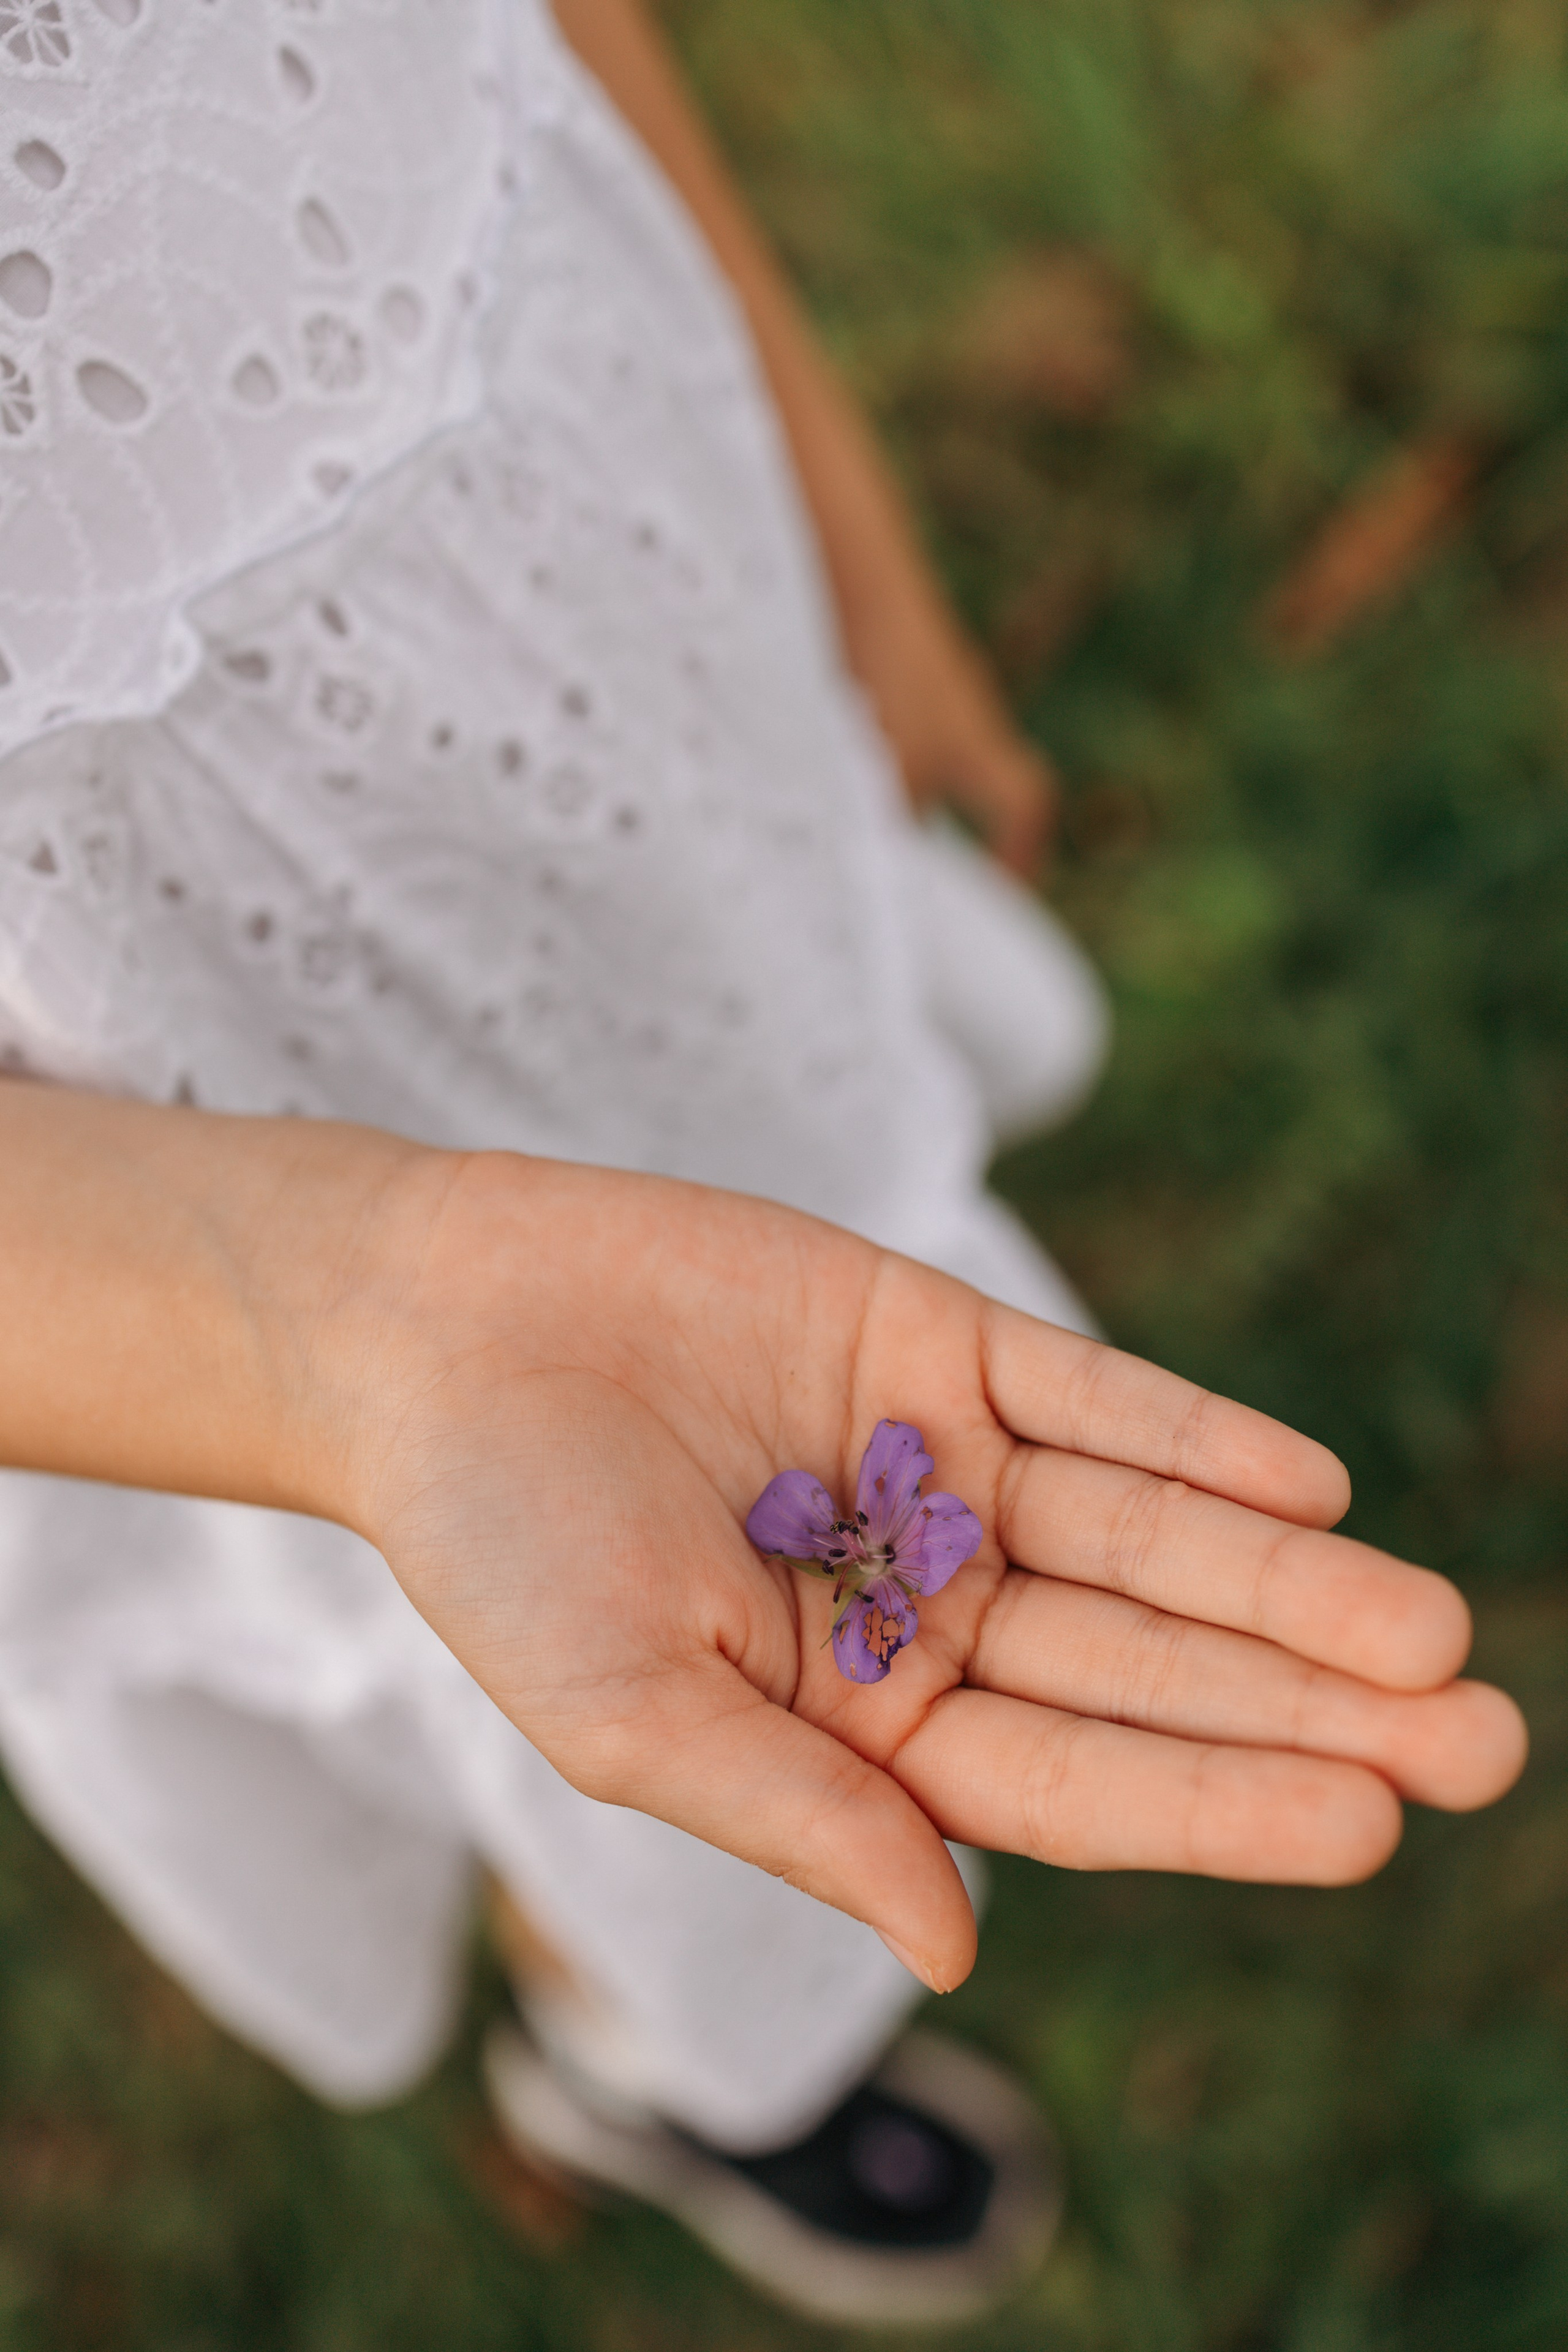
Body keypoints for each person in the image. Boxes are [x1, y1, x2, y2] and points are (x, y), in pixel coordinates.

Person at [0, 0, 1525, 2324]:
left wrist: (806, 446)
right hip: (116, 1051)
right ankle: (663, 2042)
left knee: (759, 1298)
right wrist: (340, 1325)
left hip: (550, 457)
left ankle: (676, 2037)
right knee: (531, 1611)